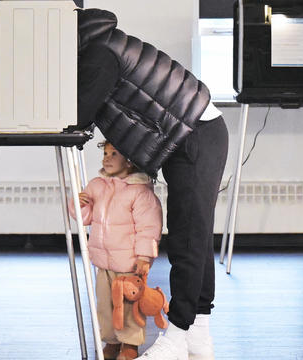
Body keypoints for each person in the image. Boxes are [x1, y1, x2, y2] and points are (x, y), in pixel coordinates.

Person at [76, 9, 229, 360]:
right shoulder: (102, 43)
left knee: (188, 238)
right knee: (197, 235)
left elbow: (78, 114)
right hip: (197, 131)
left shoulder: (98, 54)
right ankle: (198, 334)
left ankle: (176, 337)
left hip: (194, 134)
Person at [70, 141, 163, 360]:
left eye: (114, 154)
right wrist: (79, 204)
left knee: (130, 307)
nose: (106, 158)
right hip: (103, 261)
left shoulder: (140, 193)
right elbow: (86, 218)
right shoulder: (97, 186)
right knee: (105, 305)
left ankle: (130, 344)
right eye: (105, 153)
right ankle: (111, 342)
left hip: (129, 264)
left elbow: (149, 228)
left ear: (129, 161)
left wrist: (144, 257)